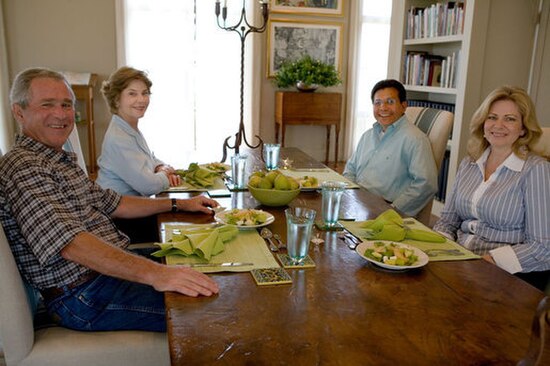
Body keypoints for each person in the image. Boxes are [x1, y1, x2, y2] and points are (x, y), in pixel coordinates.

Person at [0, 67, 220, 332]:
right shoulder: (23, 165)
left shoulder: (56, 159)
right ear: (19, 111)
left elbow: (114, 202)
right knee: (219, 309)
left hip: (104, 275)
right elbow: (71, 244)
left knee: (218, 266)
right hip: (84, 295)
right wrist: (159, 274)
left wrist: (179, 204)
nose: (60, 114)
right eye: (47, 105)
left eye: (66, 105)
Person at [433, 86, 550, 290]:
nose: (498, 125)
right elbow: (447, 221)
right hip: (460, 260)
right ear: (483, 123)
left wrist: (486, 263)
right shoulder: (470, 162)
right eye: (492, 117)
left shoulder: (536, 170)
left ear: (523, 128)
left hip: (508, 276)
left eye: (510, 119)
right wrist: (440, 249)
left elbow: (542, 247)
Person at [343, 79, 438, 217]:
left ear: (404, 105)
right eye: (378, 103)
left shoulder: (415, 139)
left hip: (384, 212)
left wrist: (393, 210)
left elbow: (427, 184)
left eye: (390, 102)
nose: (383, 108)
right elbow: (350, 170)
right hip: (356, 204)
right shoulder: (367, 136)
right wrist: (350, 196)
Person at [96, 66, 181, 197]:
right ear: (117, 99)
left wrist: (160, 167)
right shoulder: (119, 139)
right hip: (118, 213)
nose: (141, 100)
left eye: (145, 93)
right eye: (132, 93)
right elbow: (148, 186)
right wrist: (165, 174)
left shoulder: (129, 127)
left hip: (133, 206)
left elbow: (147, 158)